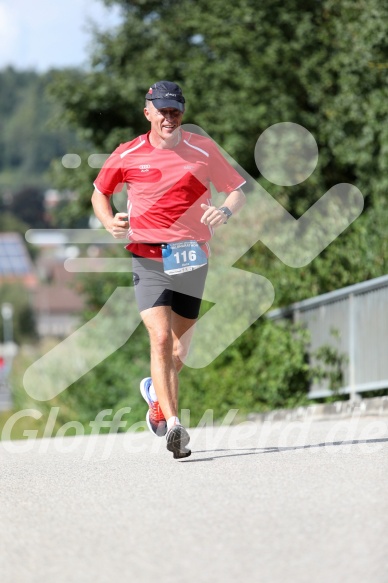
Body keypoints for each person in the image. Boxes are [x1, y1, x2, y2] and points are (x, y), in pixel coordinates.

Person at [91, 80, 246, 459]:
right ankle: (175, 427)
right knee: (159, 339)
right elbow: (99, 193)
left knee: (180, 349)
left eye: (175, 110)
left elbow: (237, 190)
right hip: (148, 255)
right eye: (162, 110)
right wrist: (109, 220)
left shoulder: (203, 150)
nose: (169, 117)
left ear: (183, 112)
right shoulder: (127, 153)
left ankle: (155, 396)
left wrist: (224, 211)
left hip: (191, 257)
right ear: (148, 112)